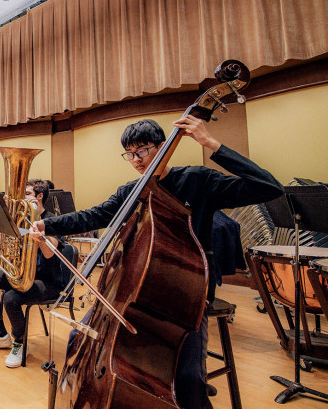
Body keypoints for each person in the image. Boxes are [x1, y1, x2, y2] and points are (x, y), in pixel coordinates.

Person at [31, 117, 283, 409]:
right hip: (133, 291)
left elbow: (269, 187)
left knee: (188, 379)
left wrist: (211, 143)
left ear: (163, 147)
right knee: (79, 335)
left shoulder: (197, 180)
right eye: (130, 154)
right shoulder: (131, 191)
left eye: (143, 151)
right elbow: (93, 216)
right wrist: (47, 225)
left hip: (186, 297)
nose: (136, 160)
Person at [0, 179, 64, 368]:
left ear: (39, 197)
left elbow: (49, 253)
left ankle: (20, 342)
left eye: (27, 194)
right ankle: (0, 335)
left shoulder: (53, 219)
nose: (23, 198)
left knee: (10, 298)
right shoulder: (19, 219)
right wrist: (3, 238)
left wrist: (36, 231)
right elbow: (12, 249)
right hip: (24, 273)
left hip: (46, 281)